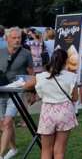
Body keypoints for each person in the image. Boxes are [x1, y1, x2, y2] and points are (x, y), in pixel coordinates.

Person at [23, 49, 78, 159]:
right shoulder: (71, 76)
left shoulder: (41, 76)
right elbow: (75, 98)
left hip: (47, 112)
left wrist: (34, 92)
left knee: (46, 151)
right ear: (66, 61)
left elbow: (25, 87)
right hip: (65, 111)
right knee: (59, 151)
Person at [0, 27, 34, 159]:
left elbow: (31, 73)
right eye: (13, 38)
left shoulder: (26, 53)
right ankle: (13, 149)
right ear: (6, 38)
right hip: (1, 92)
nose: (17, 40)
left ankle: (1, 155)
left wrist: (33, 93)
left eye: (19, 37)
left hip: (17, 92)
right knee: (3, 125)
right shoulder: (1, 52)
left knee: (8, 122)